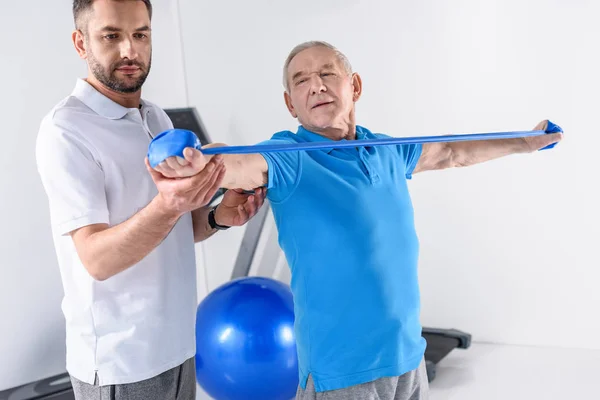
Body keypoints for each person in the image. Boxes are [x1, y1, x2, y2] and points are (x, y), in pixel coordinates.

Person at [153, 41, 563, 400]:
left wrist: (524, 143)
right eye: (301, 80)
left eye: (327, 73)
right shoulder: (288, 157)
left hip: (407, 358)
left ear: (355, 86)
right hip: (342, 374)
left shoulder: (386, 149)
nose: (316, 85)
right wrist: (199, 158)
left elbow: (450, 153)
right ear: (289, 103)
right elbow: (237, 160)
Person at [35, 1, 266, 399]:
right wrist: (171, 204)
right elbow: (97, 259)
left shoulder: (156, 118)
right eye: (111, 36)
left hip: (178, 348)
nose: (130, 50)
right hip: (121, 364)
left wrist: (215, 217)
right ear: (80, 42)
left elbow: (172, 231)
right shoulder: (65, 131)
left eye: (140, 34)